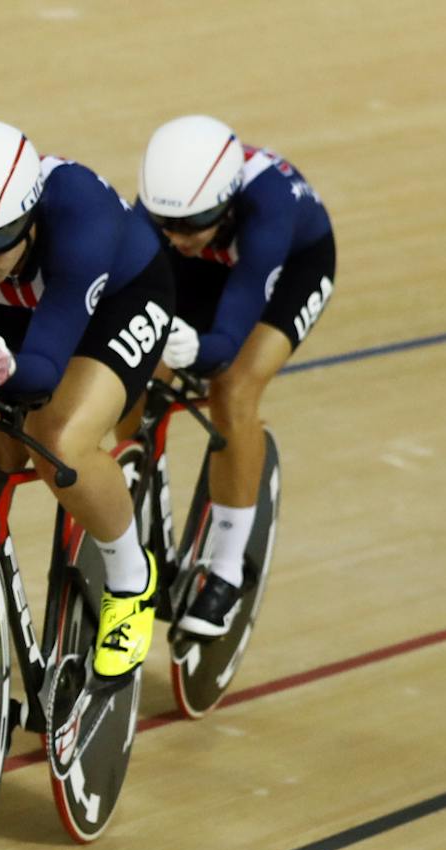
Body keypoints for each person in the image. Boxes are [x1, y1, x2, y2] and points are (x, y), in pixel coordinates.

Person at [0, 119, 175, 678]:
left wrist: (4, 372)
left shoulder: (82, 213)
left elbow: (44, 372)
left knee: (59, 444)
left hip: (116, 302)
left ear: (30, 214)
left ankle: (131, 579)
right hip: (16, 314)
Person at [125, 115, 336, 635]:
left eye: (194, 225)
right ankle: (136, 497)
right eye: (166, 225)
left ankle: (225, 571)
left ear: (227, 201)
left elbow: (228, 337)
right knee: (134, 372)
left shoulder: (269, 207)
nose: (178, 237)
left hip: (289, 270)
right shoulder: (166, 217)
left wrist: (201, 347)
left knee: (233, 389)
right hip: (204, 272)